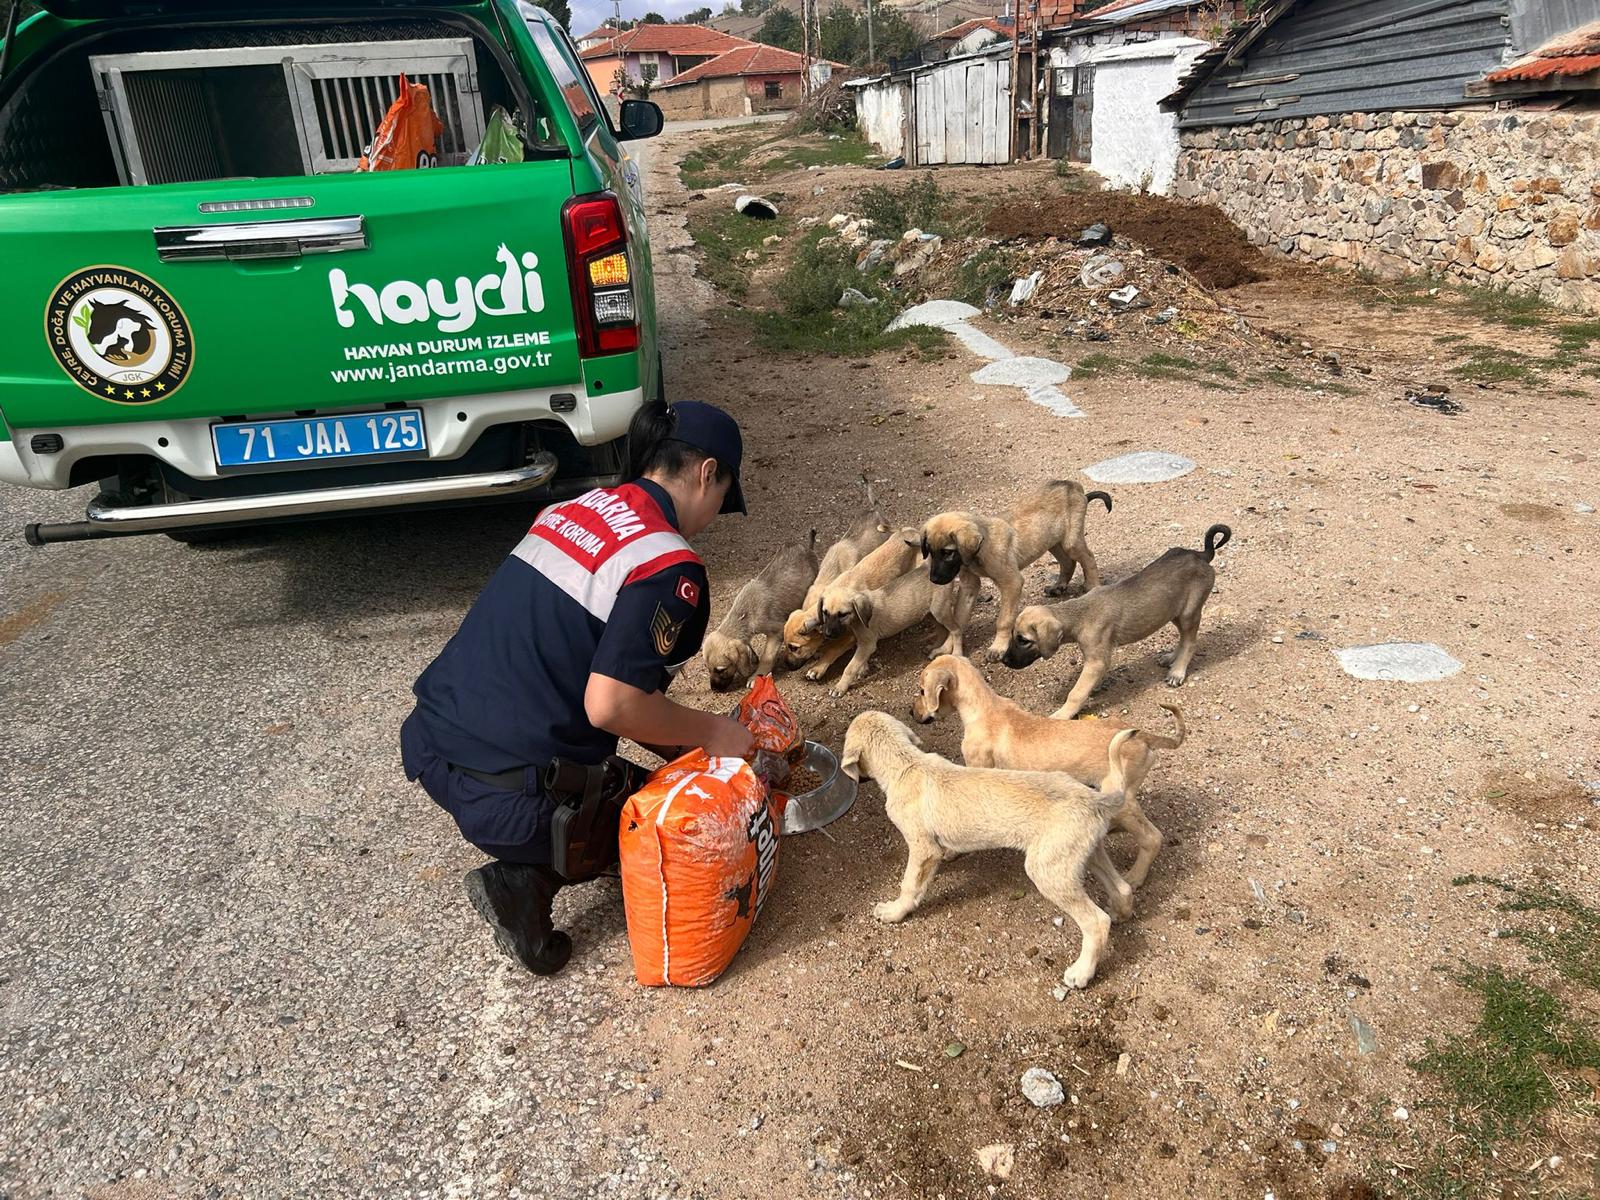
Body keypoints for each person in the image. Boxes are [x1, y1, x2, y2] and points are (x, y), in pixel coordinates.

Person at [400, 400, 755, 976]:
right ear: (706, 473)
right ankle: (520, 882)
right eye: (722, 498)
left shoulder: (574, 508)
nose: (714, 515)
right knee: (679, 828)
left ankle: (533, 843)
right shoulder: (669, 566)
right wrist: (716, 732)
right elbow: (611, 704)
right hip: (504, 796)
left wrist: (686, 746)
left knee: (642, 769)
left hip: (431, 747)